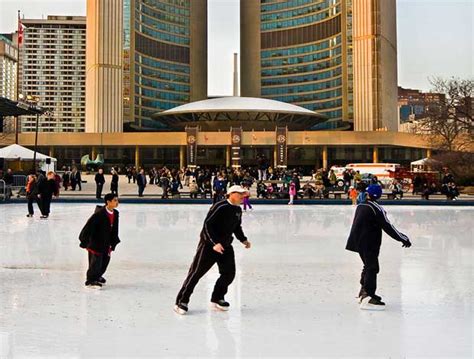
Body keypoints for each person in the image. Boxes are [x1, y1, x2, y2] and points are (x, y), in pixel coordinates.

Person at [174, 185, 252, 315]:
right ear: (231, 194)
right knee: (196, 273)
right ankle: (181, 301)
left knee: (229, 274)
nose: (242, 197)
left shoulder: (237, 210)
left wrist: (243, 240)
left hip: (226, 246)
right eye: (240, 194)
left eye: (243, 195)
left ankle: (217, 298)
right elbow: (207, 226)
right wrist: (214, 243)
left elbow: (237, 227)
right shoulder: (219, 206)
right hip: (209, 246)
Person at [346, 184, 412, 311]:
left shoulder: (361, 205)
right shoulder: (376, 208)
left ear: (368, 194)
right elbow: (388, 227)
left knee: (368, 266)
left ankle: (363, 292)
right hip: (369, 242)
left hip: (359, 242)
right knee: (372, 268)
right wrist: (402, 238)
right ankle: (368, 297)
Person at [79, 193, 121, 288]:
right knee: (95, 262)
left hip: (107, 242)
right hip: (96, 242)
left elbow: (114, 229)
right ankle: (90, 280)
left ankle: (97, 276)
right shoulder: (99, 214)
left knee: (105, 260)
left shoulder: (115, 213)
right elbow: (88, 227)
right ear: (108, 202)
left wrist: (113, 241)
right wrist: (84, 241)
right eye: (115, 200)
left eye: (117, 200)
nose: (117, 202)